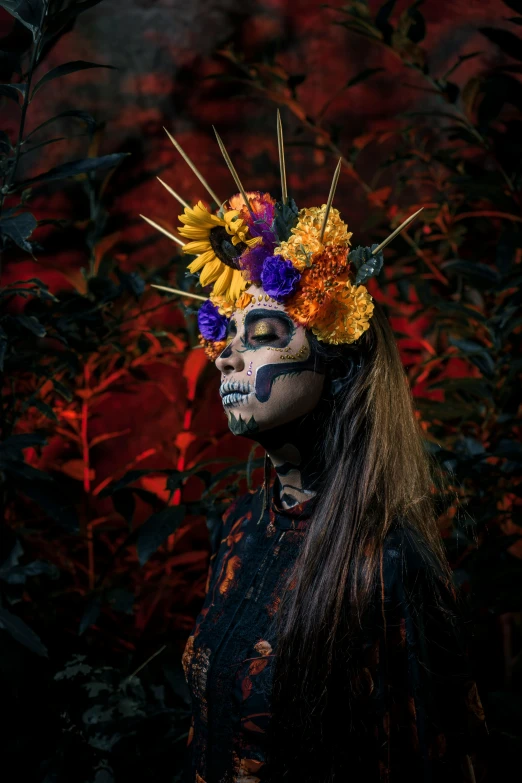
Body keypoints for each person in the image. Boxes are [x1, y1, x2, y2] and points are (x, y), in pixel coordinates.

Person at [146, 126, 487, 783]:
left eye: (266, 332)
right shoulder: (240, 526)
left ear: (337, 359)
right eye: (225, 333)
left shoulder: (385, 561)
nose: (227, 354)